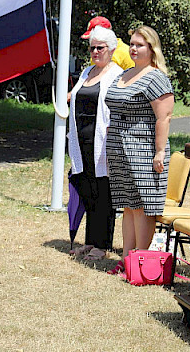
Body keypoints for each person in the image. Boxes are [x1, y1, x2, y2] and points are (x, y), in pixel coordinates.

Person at [104, 25, 174, 277]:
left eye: (139, 45)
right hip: (119, 147)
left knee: (145, 205)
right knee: (129, 204)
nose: (133, 48)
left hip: (144, 148)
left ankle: (140, 262)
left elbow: (163, 117)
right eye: (132, 44)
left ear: (152, 49)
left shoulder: (156, 77)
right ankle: (126, 259)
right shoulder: (124, 74)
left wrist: (159, 152)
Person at [66, 26, 124, 261]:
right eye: (92, 48)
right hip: (81, 140)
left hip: (103, 141)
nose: (95, 51)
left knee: (103, 192)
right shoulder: (86, 72)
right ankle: (90, 241)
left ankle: (102, 244)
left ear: (111, 49)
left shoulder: (117, 74)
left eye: (100, 47)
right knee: (87, 187)